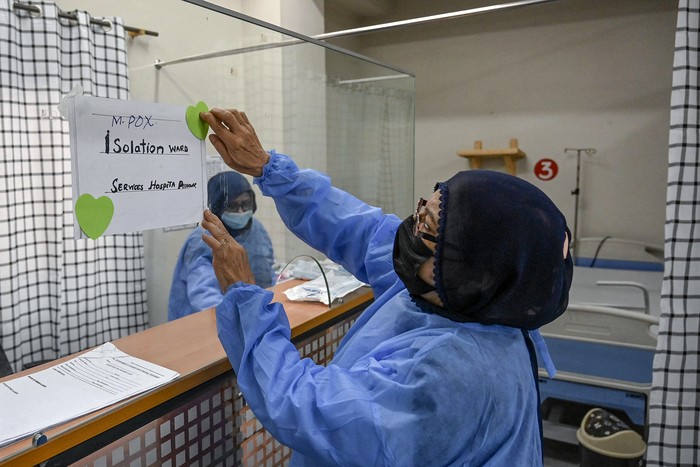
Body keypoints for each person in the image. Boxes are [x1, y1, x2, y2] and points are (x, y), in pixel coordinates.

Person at [199, 108, 573, 466]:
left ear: (471, 271)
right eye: (423, 206)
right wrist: (270, 170)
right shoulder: (450, 293)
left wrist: (245, 297)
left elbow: (307, 407)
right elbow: (359, 229)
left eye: (425, 225)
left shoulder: (457, 374)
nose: (410, 228)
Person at [167, 170, 276, 321]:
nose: (241, 212)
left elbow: (267, 270)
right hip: (210, 322)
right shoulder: (203, 239)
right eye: (232, 206)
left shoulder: (256, 228)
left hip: (254, 315)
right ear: (217, 207)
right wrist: (237, 318)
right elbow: (204, 295)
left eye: (246, 204)